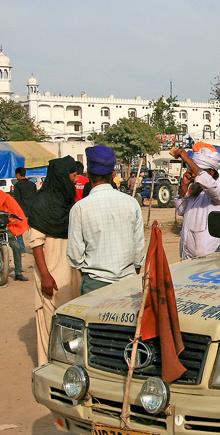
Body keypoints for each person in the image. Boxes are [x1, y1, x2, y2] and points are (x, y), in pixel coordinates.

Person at [25, 156, 82, 364]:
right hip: (51, 273)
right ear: (61, 177)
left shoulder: (68, 203)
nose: (76, 179)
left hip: (71, 273)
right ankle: (47, 367)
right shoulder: (41, 204)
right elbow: (36, 243)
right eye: (73, 175)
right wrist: (46, 276)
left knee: (71, 324)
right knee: (49, 323)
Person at [67, 145, 145, 295]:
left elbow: (75, 256)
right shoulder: (131, 203)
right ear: (112, 174)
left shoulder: (80, 208)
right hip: (128, 282)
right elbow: (139, 249)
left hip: (94, 283)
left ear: (88, 174)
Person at [171, 146, 220, 260]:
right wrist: (184, 186)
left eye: (195, 171)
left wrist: (187, 159)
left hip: (206, 255)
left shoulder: (219, 189)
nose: (193, 175)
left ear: (211, 173)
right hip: (188, 254)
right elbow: (180, 210)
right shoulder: (196, 191)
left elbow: (208, 183)